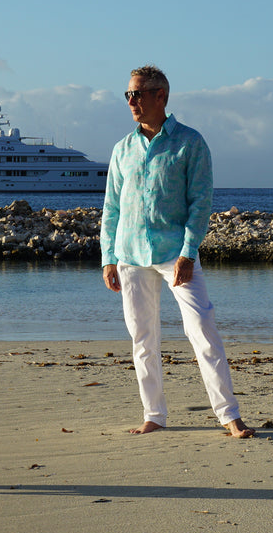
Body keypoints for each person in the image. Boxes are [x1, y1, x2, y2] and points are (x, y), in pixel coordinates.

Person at [100, 65, 255, 438]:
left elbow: (200, 202)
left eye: (138, 94)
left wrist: (188, 253)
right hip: (131, 255)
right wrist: (108, 258)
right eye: (128, 95)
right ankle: (153, 414)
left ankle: (228, 415)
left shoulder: (190, 142)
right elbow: (112, 207)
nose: (132, 101)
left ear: (161, 97)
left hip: (176, 254)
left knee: (203, 328)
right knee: (142, 338)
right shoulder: (122, 148)